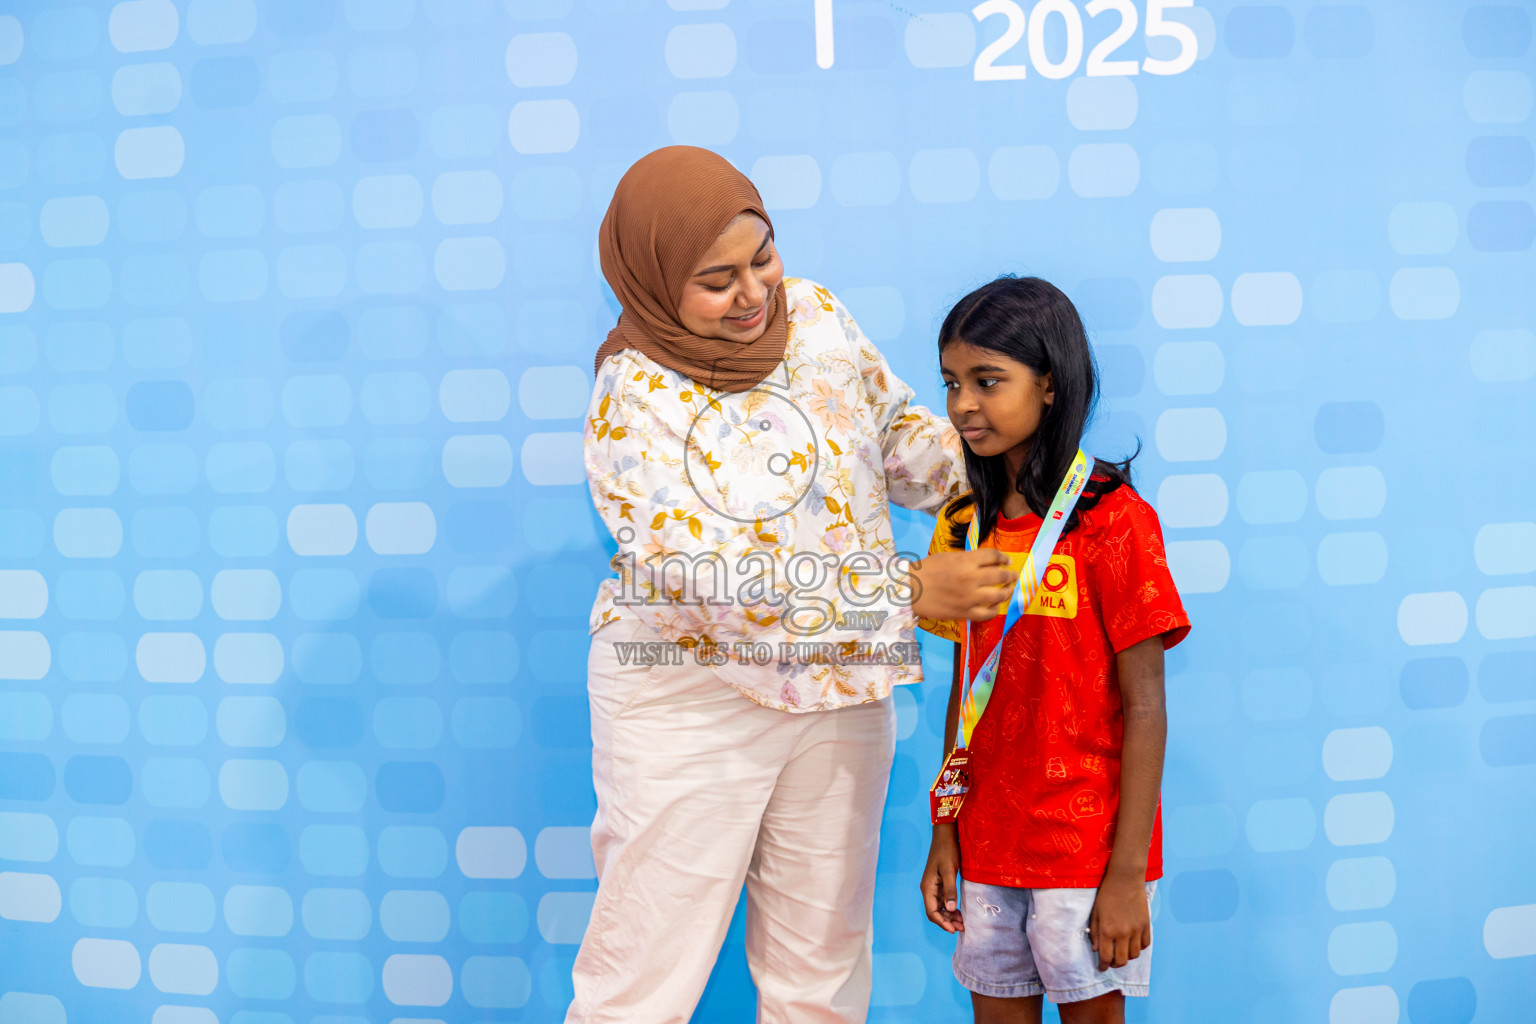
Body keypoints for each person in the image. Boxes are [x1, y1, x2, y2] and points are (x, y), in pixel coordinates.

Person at [572, 146, 1017, 1023]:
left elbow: (901, 444)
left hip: (839, 689)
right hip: (691, 698)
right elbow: (708, 580)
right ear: (654, 280)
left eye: (762, 258)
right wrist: (903, 593)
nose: (753, 294)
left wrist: (1019, 454)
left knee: (822, 975)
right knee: (642, 982)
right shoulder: (632, 395)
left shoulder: (814, 315)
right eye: (716, 280)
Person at [917, 277, 1191, 1024]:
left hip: (1085, 849)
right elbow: (965, 692)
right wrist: (944, 829)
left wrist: (1126, 874)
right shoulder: (964, 524)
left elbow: (1146, 707)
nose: (963, 404)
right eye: (951, 383)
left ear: (1049, 383)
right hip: (987, 841)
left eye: (987, 381)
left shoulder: (1115, 521)